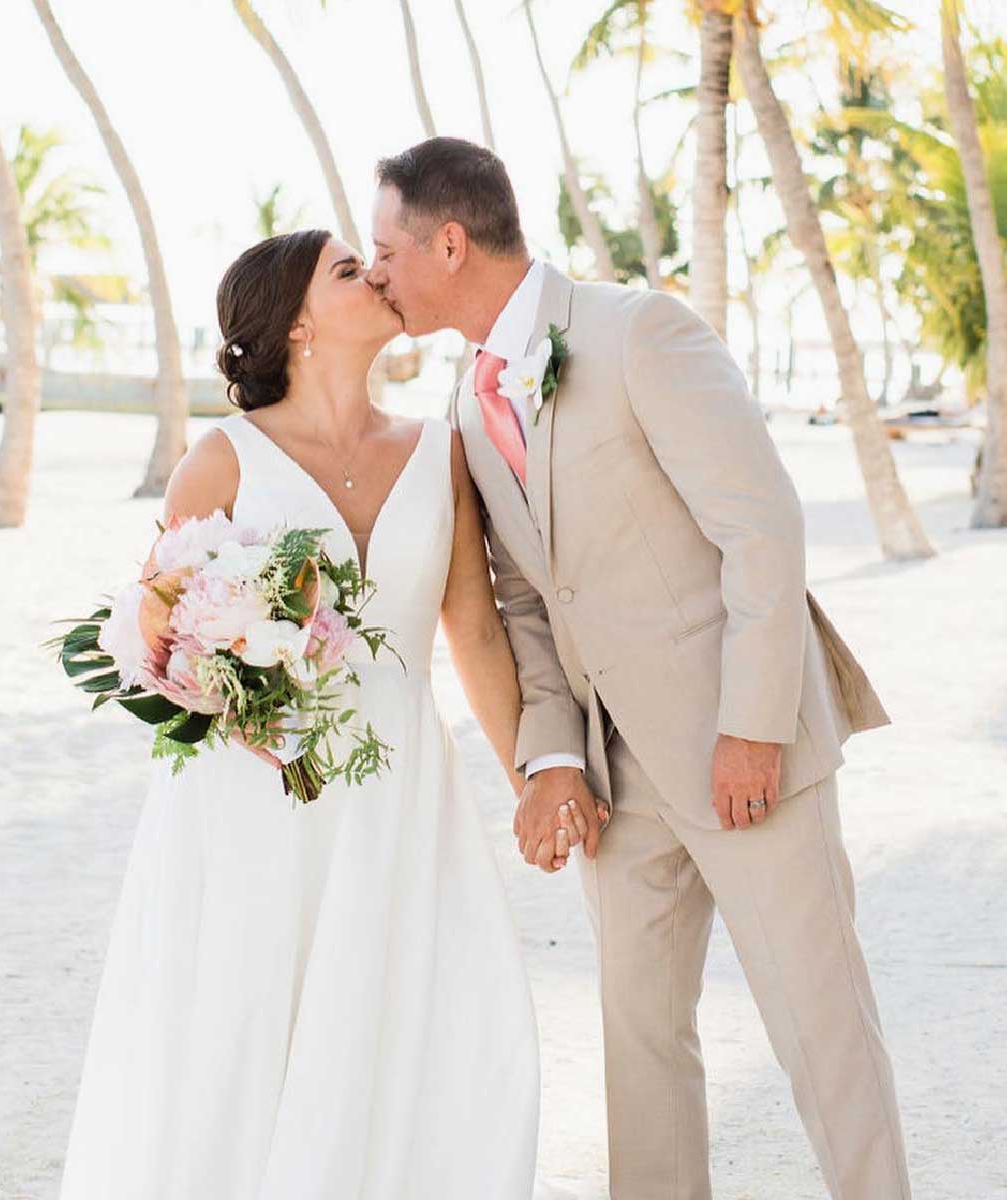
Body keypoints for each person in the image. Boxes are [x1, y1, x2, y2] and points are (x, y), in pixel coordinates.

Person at [367, 135, 912, 1200]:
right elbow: (526, 601)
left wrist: (751, 728)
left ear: (447, 240)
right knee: (641, 1051)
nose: (376, 272)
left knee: (822, 1030)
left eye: (385, 249)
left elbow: (762, 528)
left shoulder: (639, 332)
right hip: (621, 782)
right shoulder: (465, 411)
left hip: (746, 755)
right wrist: (555, 758)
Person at [57, 228, 550, 1198]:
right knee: (248, 1041)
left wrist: (534, 780)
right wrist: (239, 685)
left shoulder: (436, 448)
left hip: (404, 791)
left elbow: (476, 636)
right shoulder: (222, 460)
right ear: (293, 325)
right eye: (344, 270)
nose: (373, 274)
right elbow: (157, 641)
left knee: (436, 1029)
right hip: (256, 803)